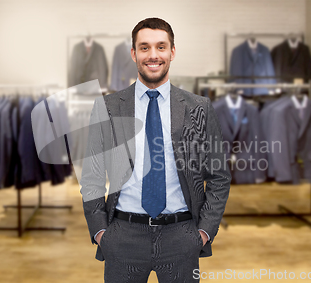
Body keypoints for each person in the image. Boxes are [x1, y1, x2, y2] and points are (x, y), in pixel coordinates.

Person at [79, 18, 231, 282]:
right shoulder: (109, 107)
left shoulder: (198, 107)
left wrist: (204, 231)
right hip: (122, 237)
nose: (153, 55)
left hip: (181, 236)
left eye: (161, 47)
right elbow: (91, 176)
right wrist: (101, 232)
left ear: (172, 52)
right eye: (145, 47)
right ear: (133, 53)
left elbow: (219, 176)